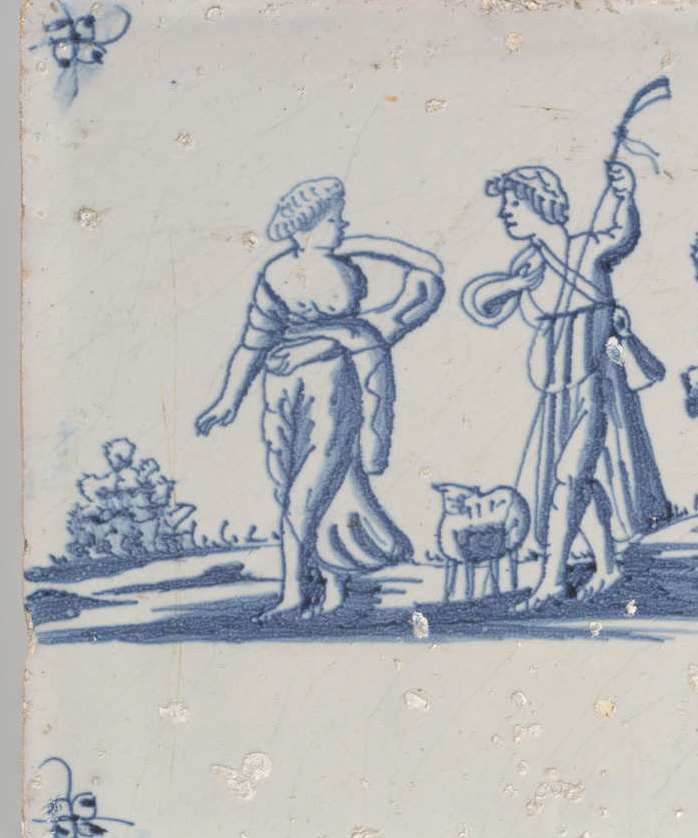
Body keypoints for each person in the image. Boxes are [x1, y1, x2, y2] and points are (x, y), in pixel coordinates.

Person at [196, 177, 444, 621]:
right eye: (334, 219)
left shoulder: (346, 271)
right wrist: (228, 400)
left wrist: (330, 333)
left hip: (331, 385)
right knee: (301, 489)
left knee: (306, 493)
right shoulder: (277, 272)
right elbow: (254, 340)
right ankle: (331, 587)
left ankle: (293, 594)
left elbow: (423, 278)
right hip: (282, 390)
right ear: (306, 226)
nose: (344, 226)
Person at [462, 161, 668, 604]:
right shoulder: (528, 264)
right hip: (557, 389)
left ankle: (552, 581)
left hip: (598, 380)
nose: (505, 213)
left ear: (540, 204)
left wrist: (625, 194)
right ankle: (608, 569)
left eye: (514, 204)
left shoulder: (587, 249)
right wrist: (514, 283)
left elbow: (623, 235)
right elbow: (480, 303)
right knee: (576, 483)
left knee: (569, 478)